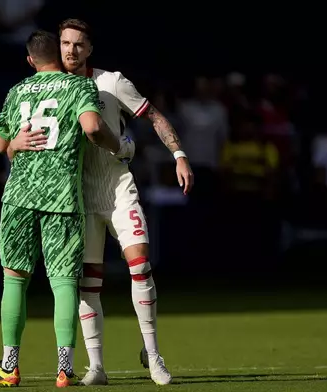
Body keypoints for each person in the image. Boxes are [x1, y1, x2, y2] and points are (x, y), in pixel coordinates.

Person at [0, 30, 134, 388]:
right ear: (58, 54)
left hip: (19, 195)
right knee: (64, 281)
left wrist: (14, 143)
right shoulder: (78, 87)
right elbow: (93, 128)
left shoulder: (17, 90)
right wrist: (120, 146)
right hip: (62, 197)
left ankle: (10, 365)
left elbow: (1, 143)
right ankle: (65, 367)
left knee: (14, 279)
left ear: (30, 59)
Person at [58, 18, 194, 386]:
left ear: (90, 49)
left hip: (117, 187)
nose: (71, 50)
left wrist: (178, 154)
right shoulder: (50, 88)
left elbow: (151, 116)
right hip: (78, 195)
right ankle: (96, 367)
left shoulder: (111, 82)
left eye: (79, 44)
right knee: (88, 282)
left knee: (139, 261)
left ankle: (153, 355)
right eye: (66, 43)